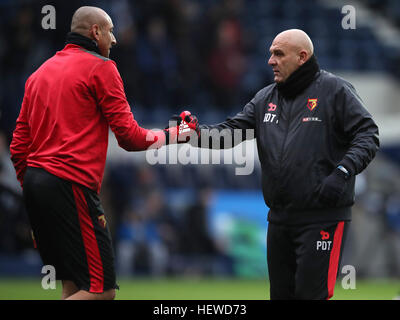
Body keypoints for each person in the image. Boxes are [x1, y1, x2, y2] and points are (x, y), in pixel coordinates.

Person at [9, 6, 198, 300]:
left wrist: (36, 192)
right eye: (110, 31)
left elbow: (18, 145)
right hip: (71, 184)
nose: (115, 39)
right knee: (102, 290)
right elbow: (130, 138)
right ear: (95, 32)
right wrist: (175, 134)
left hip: (36, 184)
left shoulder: (39, 74)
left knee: (73, 285)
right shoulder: (102, 68)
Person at [188, 29, 379, 299]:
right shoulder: (265, 98)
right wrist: (192, 134)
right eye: (270, 54)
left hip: (323, 218)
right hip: (279, 219)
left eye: (278, 54)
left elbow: (368, 134)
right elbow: (229, 133)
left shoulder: (335, 90)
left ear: (302, 57)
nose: (270, 60)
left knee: (310, 296)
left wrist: (343, 172)